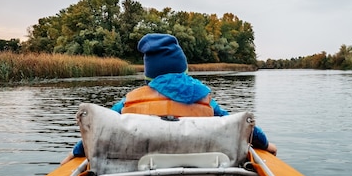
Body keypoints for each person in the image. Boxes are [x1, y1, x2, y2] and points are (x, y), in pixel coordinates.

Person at [61, 33, 277, 164]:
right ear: (182, 68)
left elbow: (99, 129)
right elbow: (241, 126)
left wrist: (76, 152)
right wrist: (266, 145)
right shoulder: (204, 100)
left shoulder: (128, 103)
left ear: (149, 74)